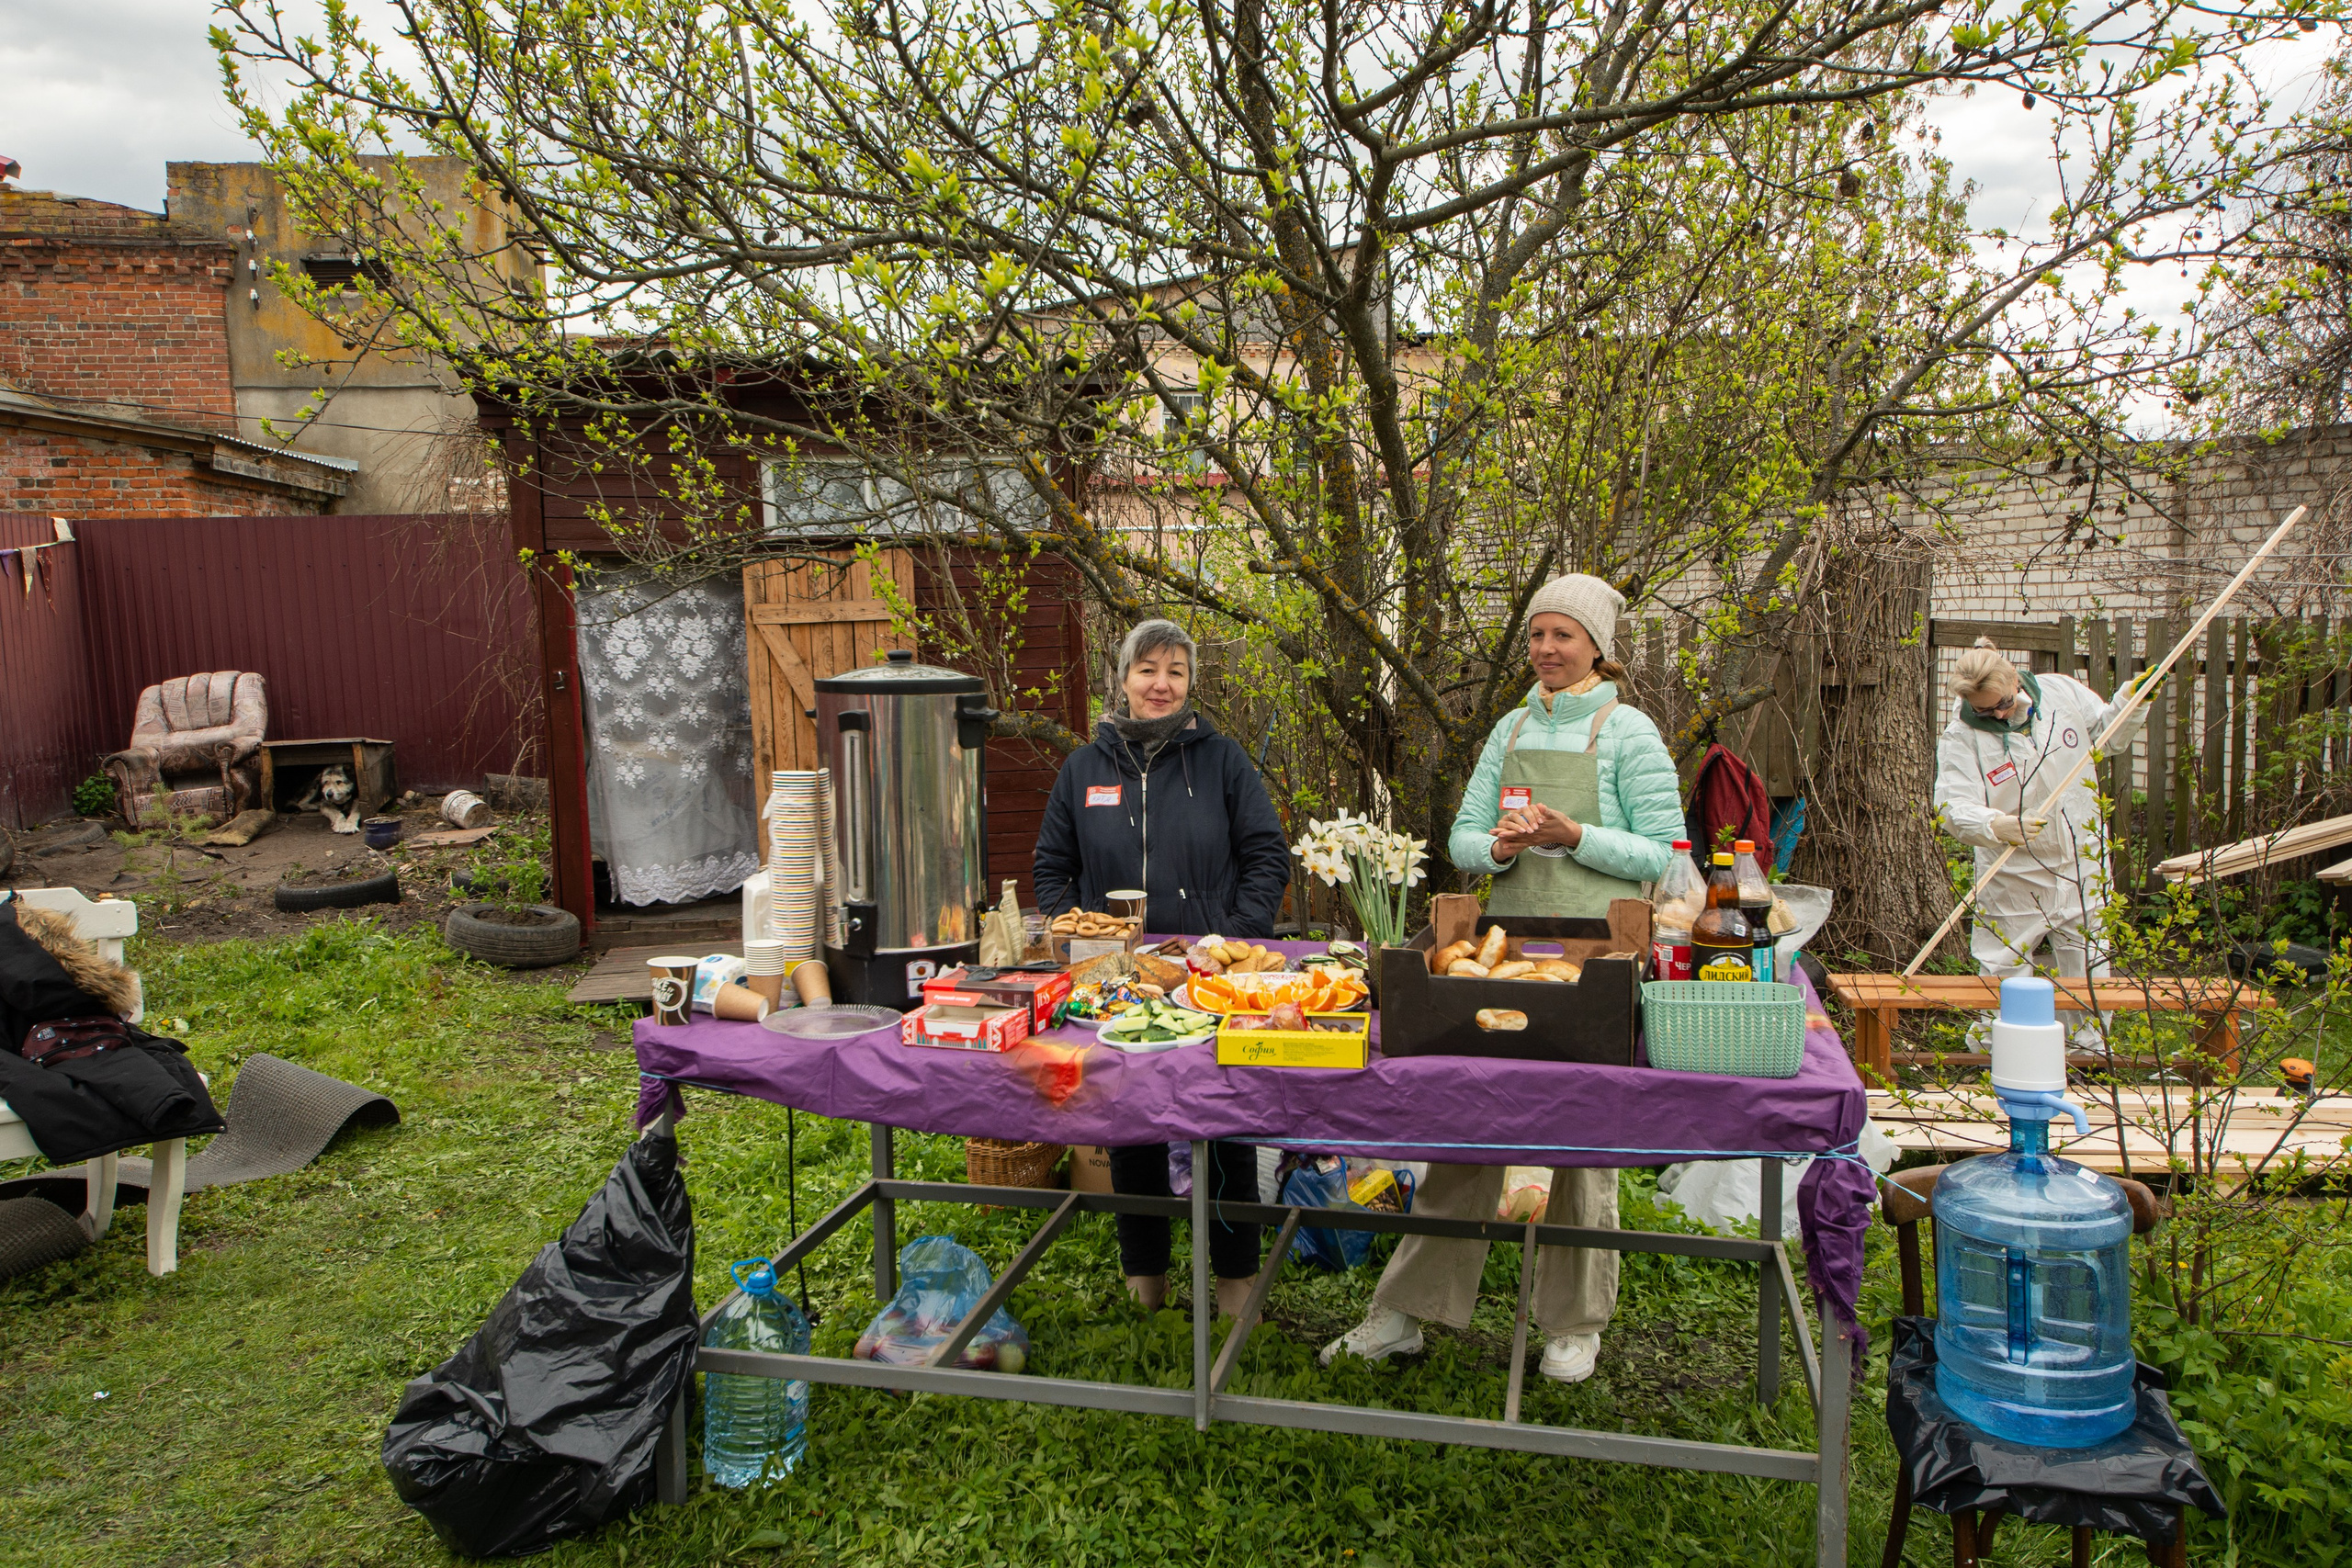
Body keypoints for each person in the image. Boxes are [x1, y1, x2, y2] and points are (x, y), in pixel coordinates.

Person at [1320, 574, 1685, 1383]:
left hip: (1601, 960)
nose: (1546, 650)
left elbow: (1663, 850)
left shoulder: (1629, 733)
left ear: (1598, 646)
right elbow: (1461, 837)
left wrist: (1576, 833)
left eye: (1563, 635)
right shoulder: (1511, 727)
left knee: (1580, 1136)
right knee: (1468, 1122)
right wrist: (1505, 849)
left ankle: (1573, 1321)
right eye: (1536, 636)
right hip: (1508, 951)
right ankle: (1407, 1311)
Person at [1034, 618, 1291, 1317]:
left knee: (1225, 1120)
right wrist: (1084, 942)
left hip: (1208, 972)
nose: (1161, 683)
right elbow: (1051, 871)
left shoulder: (1222, 760)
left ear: (1189, 684)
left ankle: (1235, 1279)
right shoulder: (1086, 768)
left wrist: (1232, 939)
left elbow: (1268, 855)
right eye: (1148, 669)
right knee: (1130, 1121)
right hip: (1111, 977)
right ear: (1122, 678)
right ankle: (1145, 1277)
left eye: (1176, 671)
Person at [1933, 638, 2151, 1043]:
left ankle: (2087, 1051)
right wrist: (1996, 825)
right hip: (2013, 871)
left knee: (2087, 960)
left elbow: (2109, 735)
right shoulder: (1961, 736)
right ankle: (2001, 1047)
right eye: (1984, 709)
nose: (1998, 714)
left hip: (2081, 858)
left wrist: (2131, 703)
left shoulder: (2061, 691)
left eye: (2002, 703)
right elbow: (1952, 805)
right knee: (2004, 963)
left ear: (2015, 679)